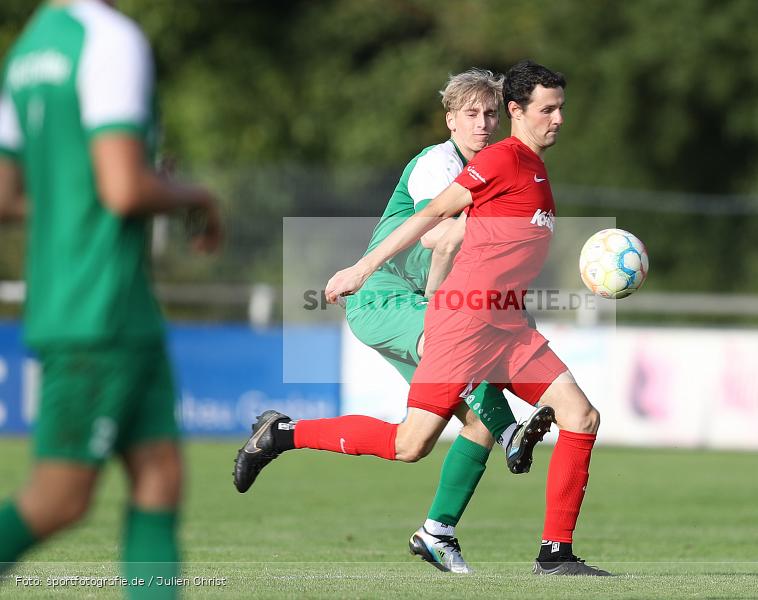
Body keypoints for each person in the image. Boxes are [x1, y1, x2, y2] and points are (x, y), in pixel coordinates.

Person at [233, 68, 554, 574]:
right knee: (459, 369)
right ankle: (513, 430)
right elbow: (437, 239)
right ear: (450, 120)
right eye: (471, 113)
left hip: (434, 307)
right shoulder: (437, 164)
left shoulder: (498, 167)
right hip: (384, 296)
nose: (483, 123)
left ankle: (287, 438)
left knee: (419, 442)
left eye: (490, 113)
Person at [0, 0, 221, 596]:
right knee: (60, 497)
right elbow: (123, 188)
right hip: (99, 308)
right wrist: (192, 193)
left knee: (159, 477)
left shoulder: (28, 51)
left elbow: (4, 194)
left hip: (94, 304)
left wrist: (78, 205)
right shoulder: (109, 39)